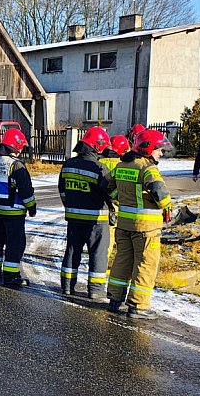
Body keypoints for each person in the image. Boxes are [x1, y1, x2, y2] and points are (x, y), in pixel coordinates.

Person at [106, 129, 172, 319]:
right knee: (145, 263)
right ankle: (138, 306)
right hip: (146, 228)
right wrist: (168, 208)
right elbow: (161, 195)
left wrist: (118, 198)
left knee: (122, 260)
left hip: (124, 225)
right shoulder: (147, 168)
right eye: (159, 150)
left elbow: (106, 187)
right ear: (147, 148)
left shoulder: (121, 165)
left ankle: (114, 299)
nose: (161, 153)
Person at [58, 126, 113, 299]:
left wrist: (71, 205)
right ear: (98, 146)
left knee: (72, 251)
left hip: (74, 218)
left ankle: (67, 286)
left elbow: (62, 191)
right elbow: (112, 194)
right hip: (97, 220)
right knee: (97, 254)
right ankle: (95, 290)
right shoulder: (99, 168)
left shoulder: (67, 165)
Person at [0, 128, 36, 288]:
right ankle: (11, 277)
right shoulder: (16, 165)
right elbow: (26, 190)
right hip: (15, 213)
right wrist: (32, 208)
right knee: (15, 244)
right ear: (16, 146)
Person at [99, 135, 131, 268]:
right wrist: (115, 198)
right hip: (113, 205)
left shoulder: (99, 160)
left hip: (96, 203)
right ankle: (102, 265)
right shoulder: (122, 165)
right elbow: (121, 187)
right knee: (109, 236)